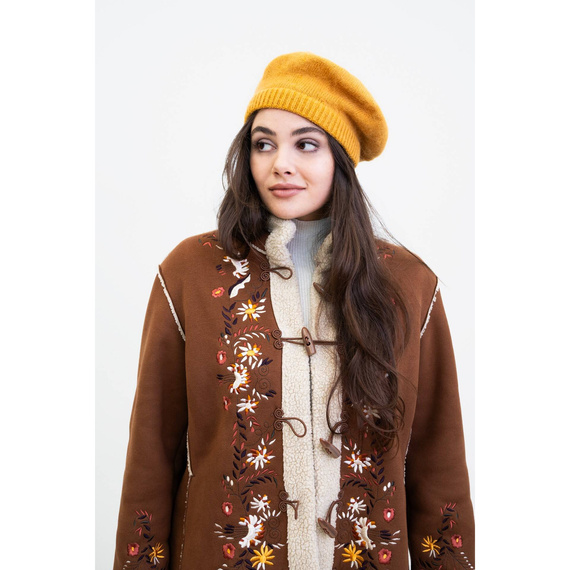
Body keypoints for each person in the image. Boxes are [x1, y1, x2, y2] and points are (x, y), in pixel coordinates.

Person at [113, 52, 475, 570]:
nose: (280, 163)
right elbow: (151, 454)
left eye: (306, 144)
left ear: (339, 160)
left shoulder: (407, 285)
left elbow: (439, 467)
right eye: (264, 144)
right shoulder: (189, 274)